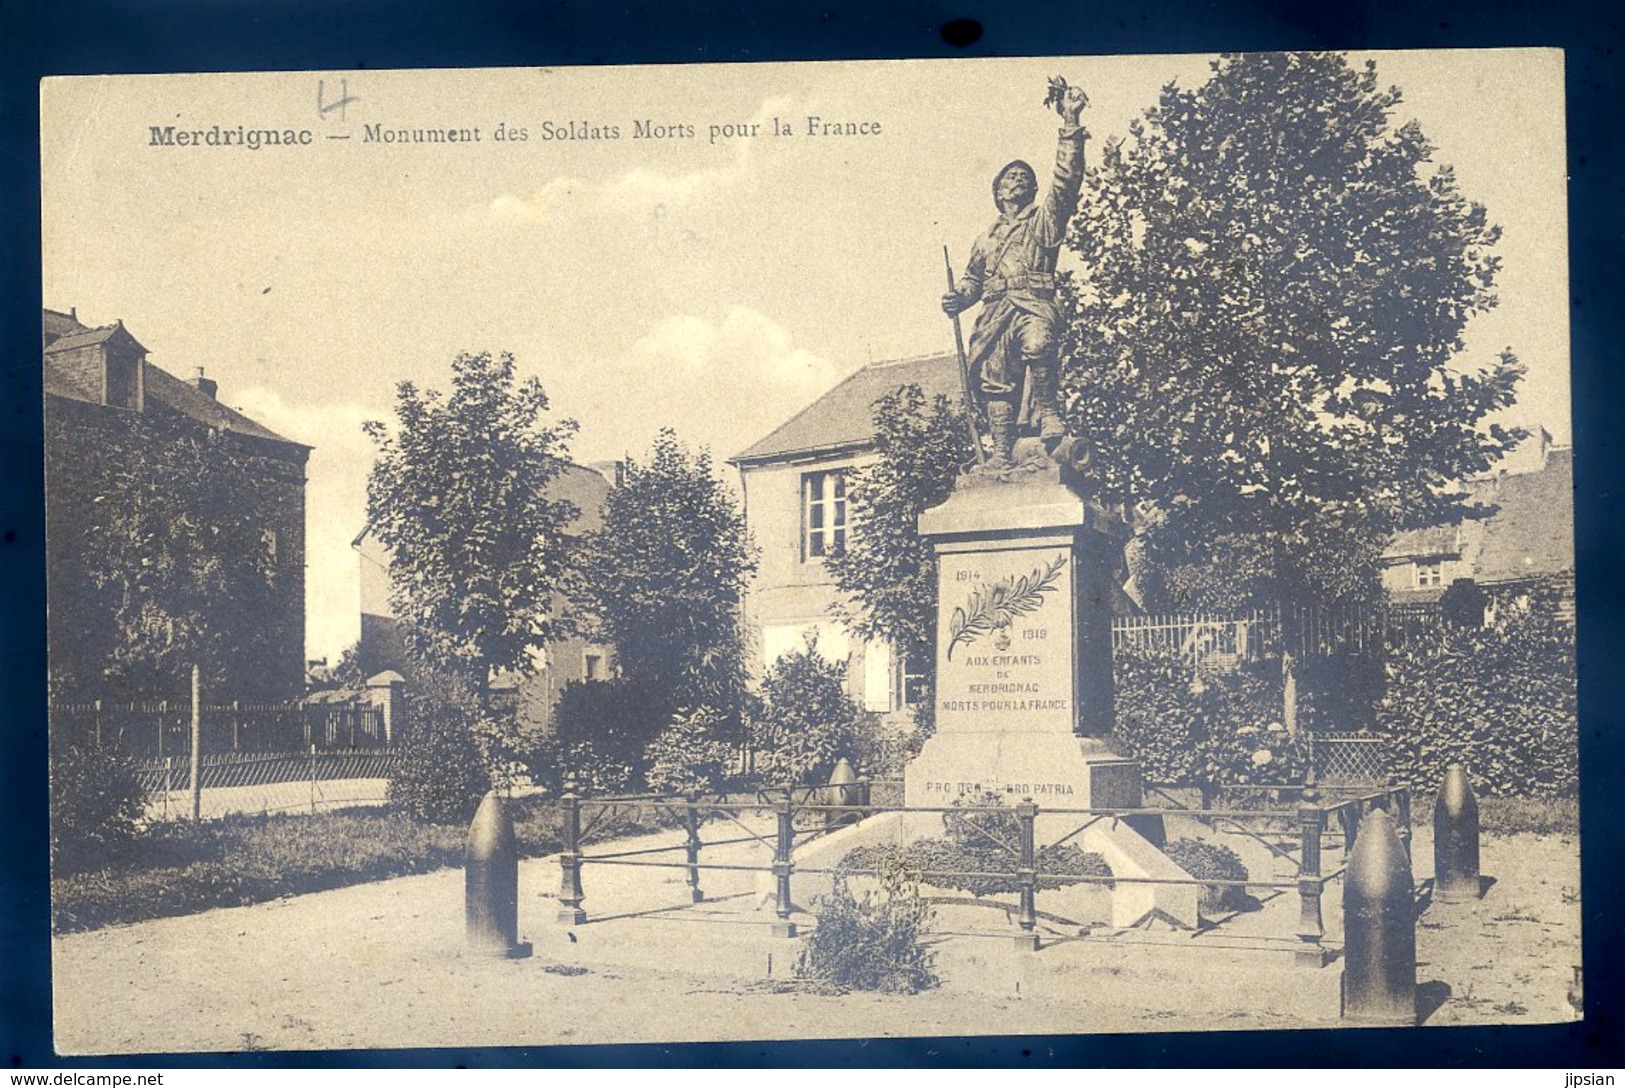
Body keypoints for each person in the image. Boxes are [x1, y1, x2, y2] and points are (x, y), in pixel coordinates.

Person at [943, 82, 1089, 468]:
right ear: (999, 192)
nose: (1019, 179)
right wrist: (959, 296)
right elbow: (974, 280)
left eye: (1026, 176)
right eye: (1011, 177)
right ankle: (1001, 453)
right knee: (995, 378)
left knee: (1039, 342)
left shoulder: (1043, 221)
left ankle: (1050, 413)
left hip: (1033, 303)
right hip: (994, 314)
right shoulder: (985, 238)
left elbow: (1066, 181)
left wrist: (1070, 122)